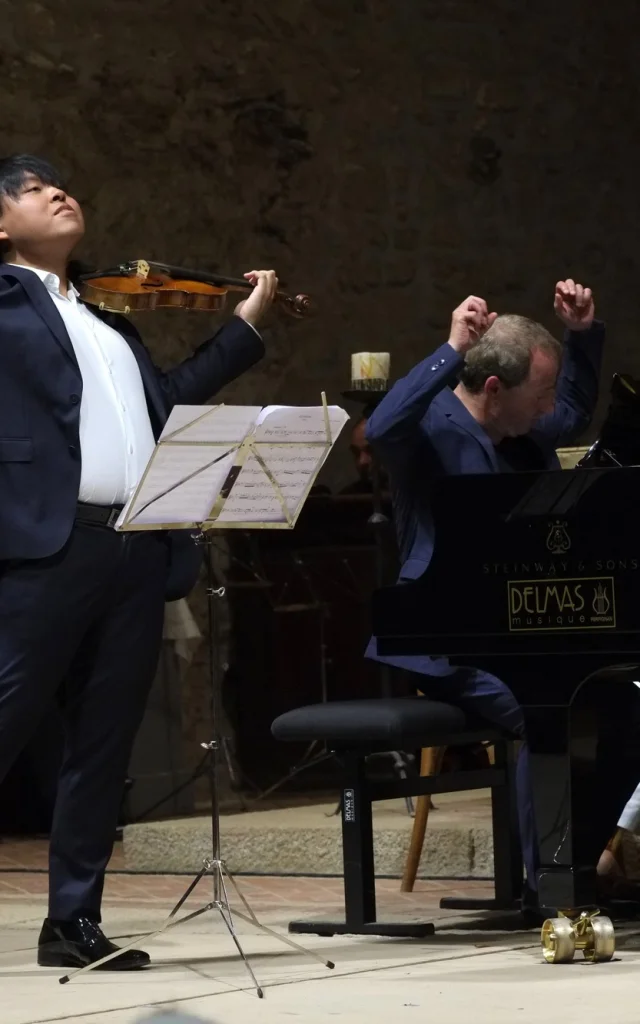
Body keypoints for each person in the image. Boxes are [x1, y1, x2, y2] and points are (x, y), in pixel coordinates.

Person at [0, 153, 277, 970]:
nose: (58, 191)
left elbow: (170, 400)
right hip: (45, 545)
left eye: (60, 183)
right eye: (31, 189)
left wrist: (246, 325)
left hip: (134, 545)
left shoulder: (110, 320)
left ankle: (72, 922)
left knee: (102, 742)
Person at [364, 280, 609, 901]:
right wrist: (452, 347)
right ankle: (547, 885)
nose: (549, 409)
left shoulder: (520, 433)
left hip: (517, 626)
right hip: (443, 635)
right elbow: (382, 425)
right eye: (540, 393)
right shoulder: (429, 429)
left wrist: (581, 335)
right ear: (495, 389)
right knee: (550, 711)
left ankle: (580, 862)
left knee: (618, 709)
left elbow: (574, 411)